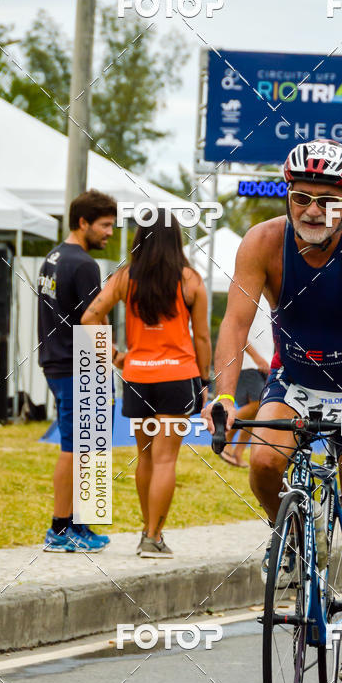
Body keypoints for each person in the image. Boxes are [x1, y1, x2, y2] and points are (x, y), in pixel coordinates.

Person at [204, 138, 342, 683]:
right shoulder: (263, 242)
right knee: (264, 462)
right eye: (302, 198)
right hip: (296, 381)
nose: (313, 210)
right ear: (287, 195)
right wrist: (221, 395)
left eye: (327, 200)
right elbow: (235, 324)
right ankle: (288, 535)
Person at [81, 209, 211, 558]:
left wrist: (116, 356)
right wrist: (205, 378)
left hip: (138, 376)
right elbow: (201, 338)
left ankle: (146, 531)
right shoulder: (191, 280)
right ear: (175, 239)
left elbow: (89, 316)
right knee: (166, 460)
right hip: (177, 377)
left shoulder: (125, 278)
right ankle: (153, 536)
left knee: (145, 458)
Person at [38, 189, 118, 552]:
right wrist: (114, 361)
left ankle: (80, 525)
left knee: (84, 446)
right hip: (77, 364)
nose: (110, 233)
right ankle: (59, 529)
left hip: (56, 360)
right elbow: (93, 321)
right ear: (83, 222)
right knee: (75, 447)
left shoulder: (53, 256)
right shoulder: (85, 264)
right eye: (104, 226)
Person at [222, 295, 274, 467]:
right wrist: (257, 358)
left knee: (257, 413)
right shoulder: (250, 296)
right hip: (249, 364)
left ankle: (237, 453)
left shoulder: (273, 300)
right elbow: (238, 332)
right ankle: (225, 442)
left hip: (267, 363)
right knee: (259, 404)